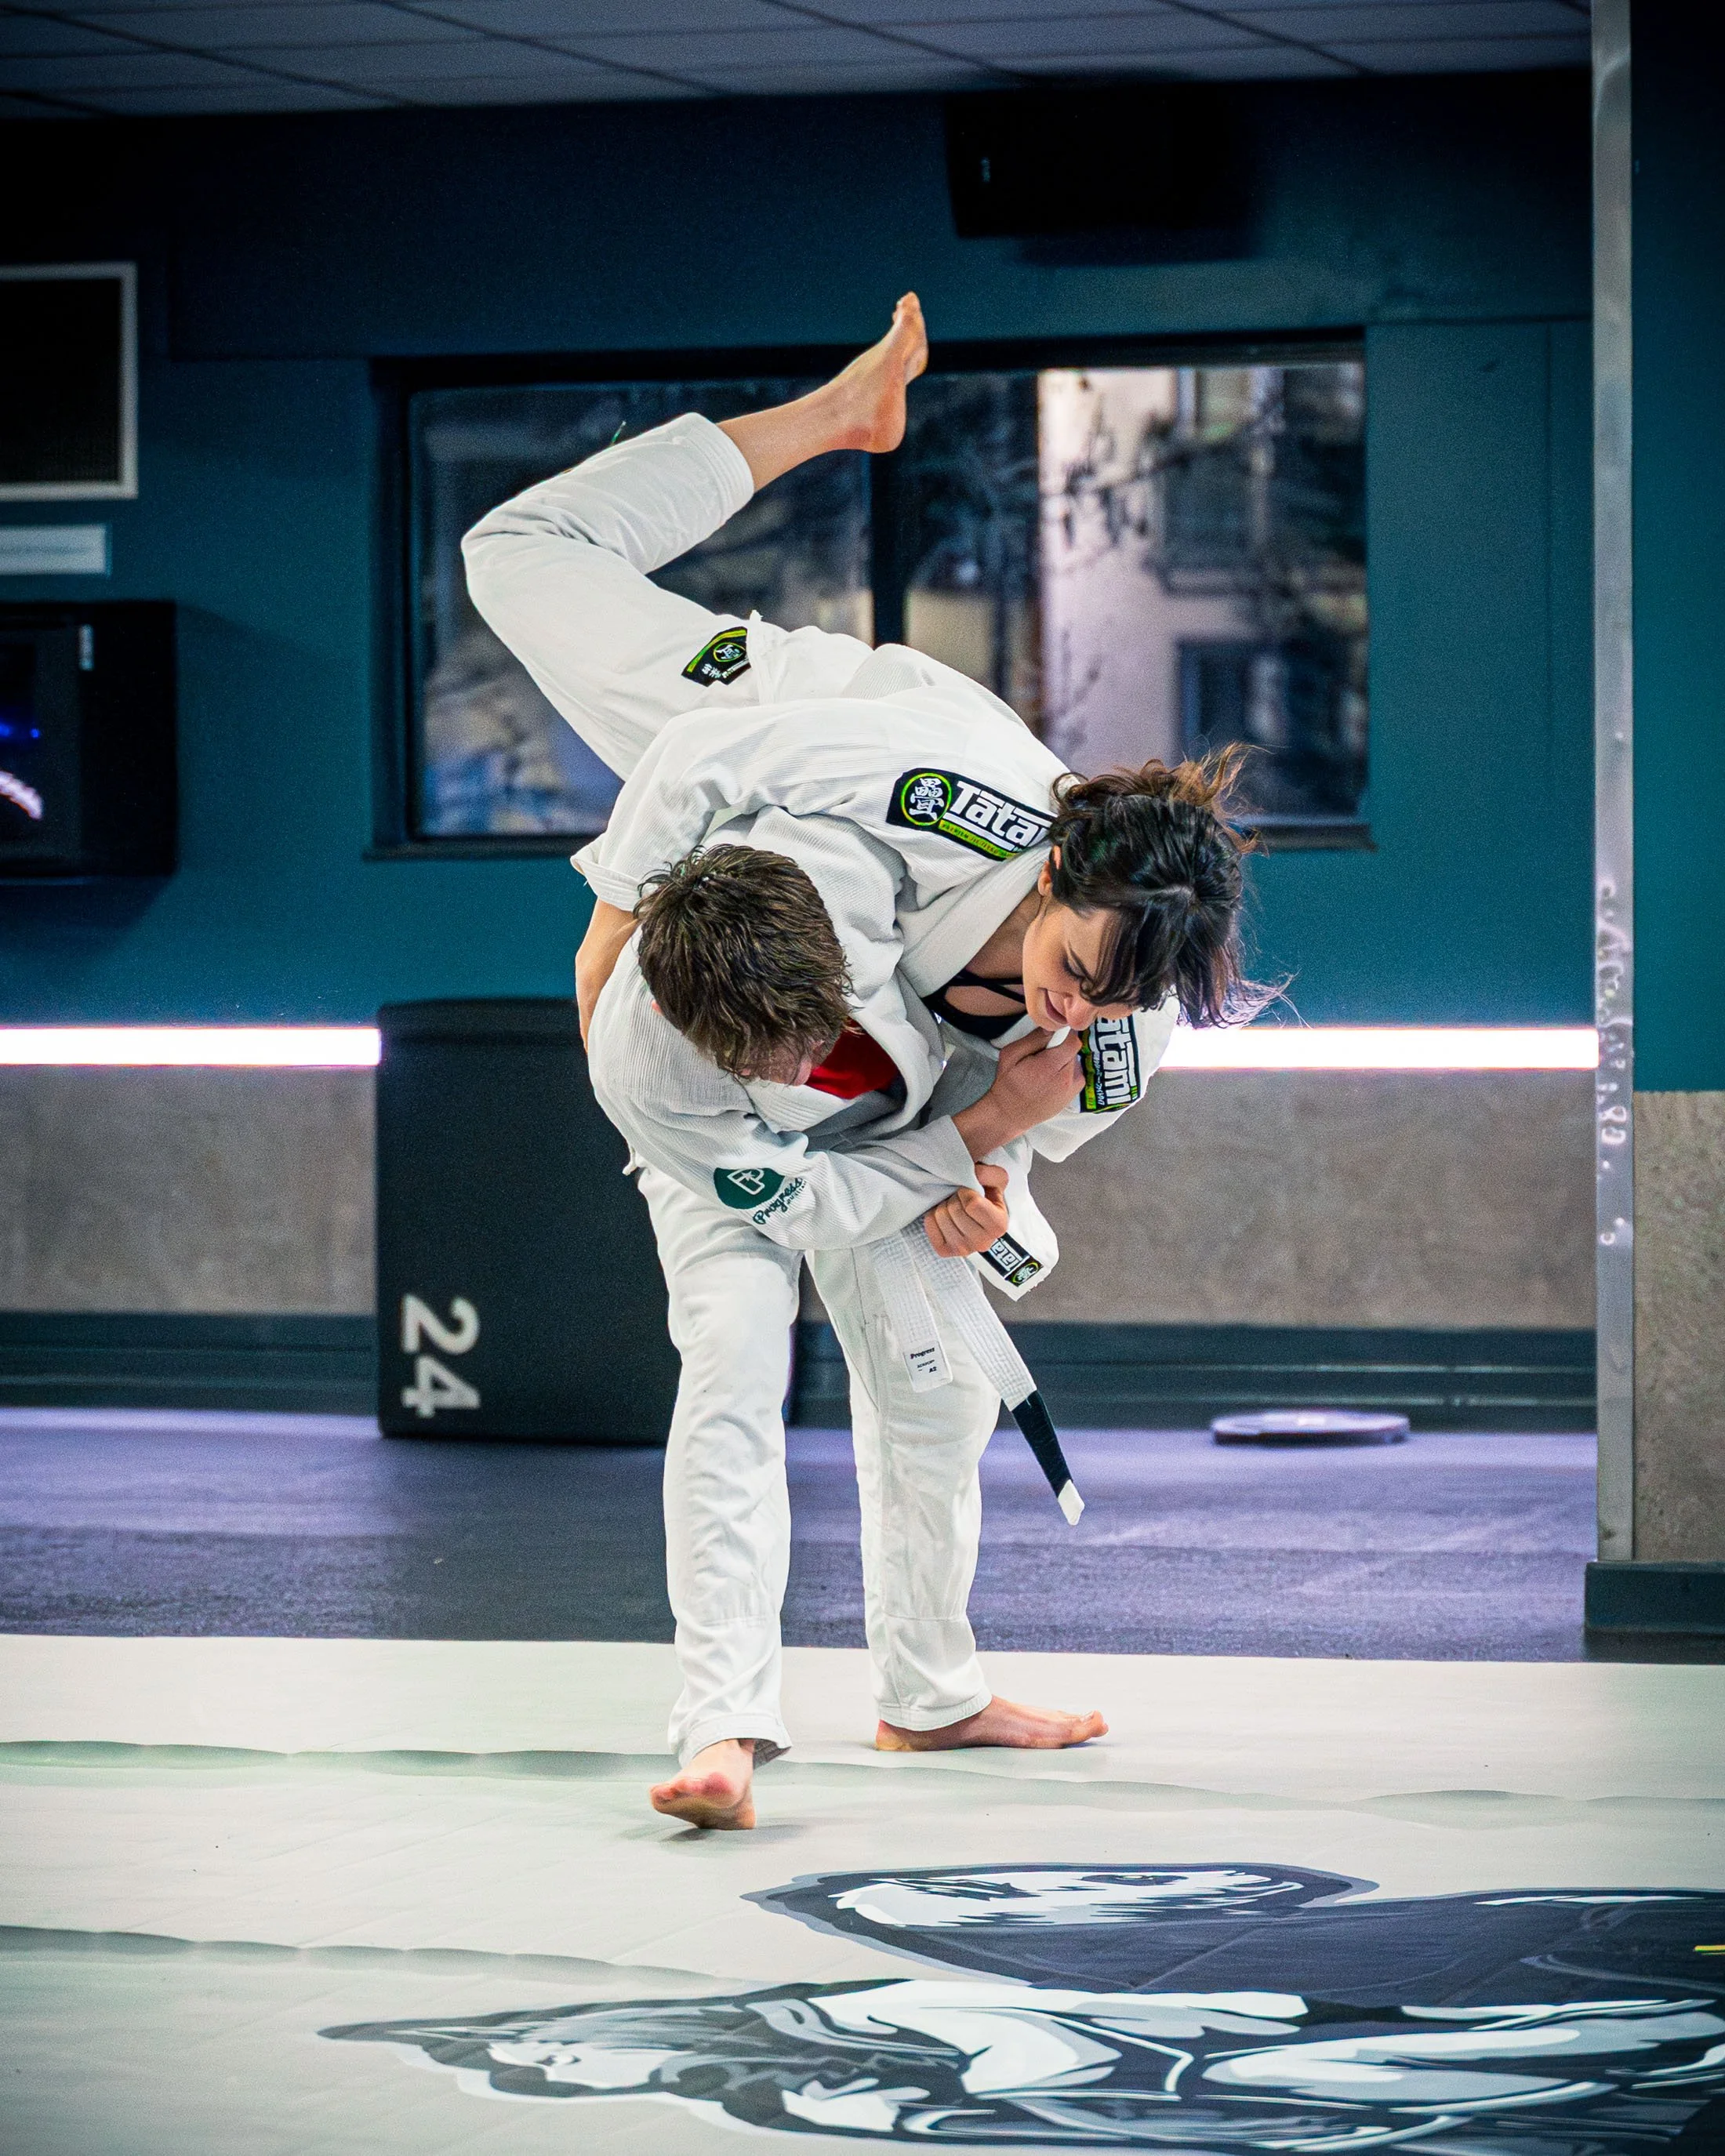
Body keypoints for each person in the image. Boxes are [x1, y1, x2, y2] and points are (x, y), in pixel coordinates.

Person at [463, 296, 1258, 1831]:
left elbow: (1002, 1144)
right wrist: (609, 930)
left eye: (1114, 1002)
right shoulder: (932, 786)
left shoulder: (1124, 1032)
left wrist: (983, 1172)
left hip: (877, 1072)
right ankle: (831, 417)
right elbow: (694, 768)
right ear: (1059, 869)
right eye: (1077, 969)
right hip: (767, 737)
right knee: (516, 552)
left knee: (935, 1385)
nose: (1080, 1011)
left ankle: (931, 1694)